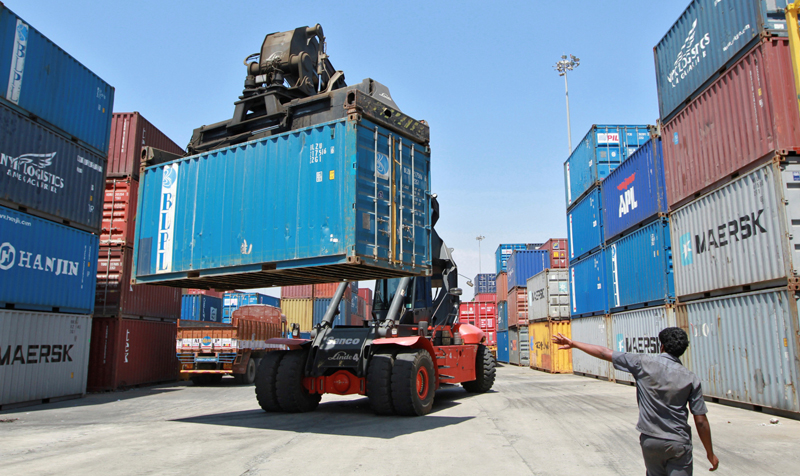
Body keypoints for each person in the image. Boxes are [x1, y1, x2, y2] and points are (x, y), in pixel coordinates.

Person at [552, 327, 719, 475]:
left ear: (662, 346)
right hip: (678, 443)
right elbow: (701, 420)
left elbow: (604, 352)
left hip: (650, 441)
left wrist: (574, 344)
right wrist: (710, 453)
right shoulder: (691, 378)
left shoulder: (643, 363)